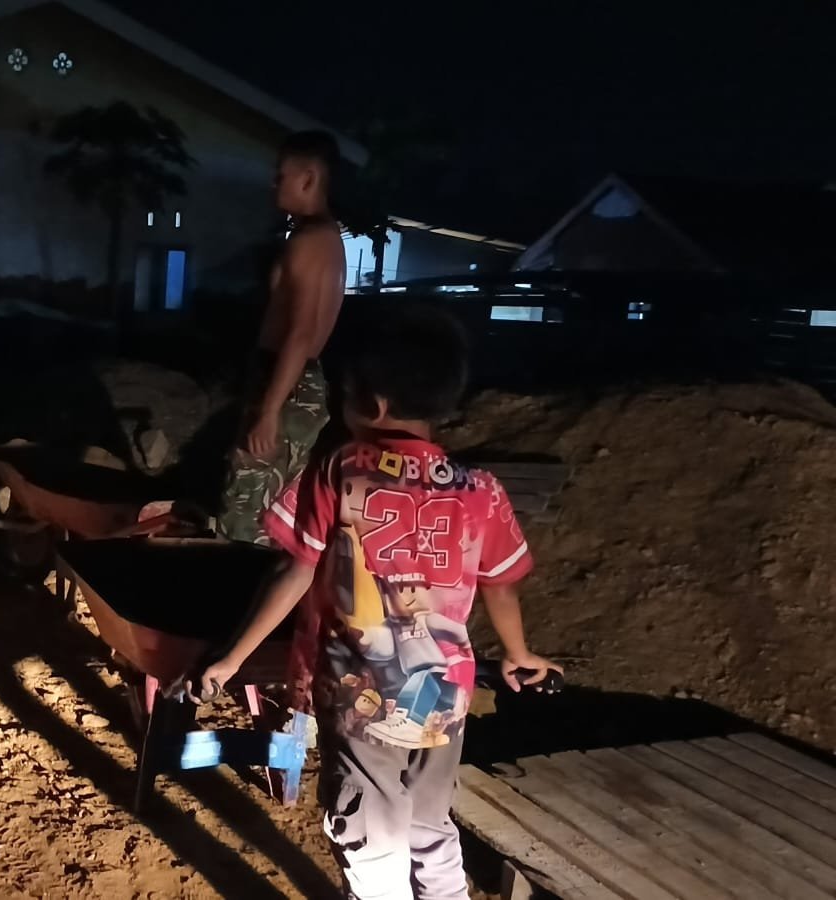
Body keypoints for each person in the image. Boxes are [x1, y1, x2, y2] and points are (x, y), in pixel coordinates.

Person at [184, 308, 560, 900]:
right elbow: (501, 585)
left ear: (374, 403)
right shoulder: (480, 489)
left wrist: (233, 657)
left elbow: (295, 569)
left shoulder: (339, 469)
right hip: (446, 694)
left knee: (369, 830)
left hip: (362, 695)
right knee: (431, 821)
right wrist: (518, 653)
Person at [218, 131, 346, 544]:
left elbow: (300, 331)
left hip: (286, 382)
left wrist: (270, 410)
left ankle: (240, 583)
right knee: (276, 513)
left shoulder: (308, 243)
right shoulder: (326, 238)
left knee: (245, 515)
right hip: (299, 381)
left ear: (308, 178)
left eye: (281, 175)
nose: (274, 184)